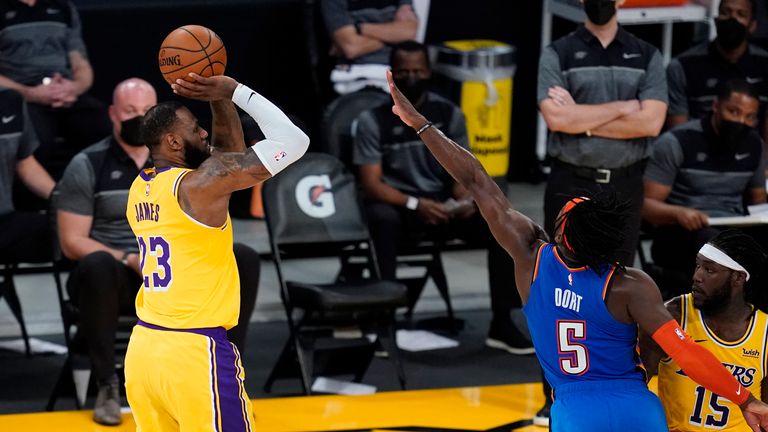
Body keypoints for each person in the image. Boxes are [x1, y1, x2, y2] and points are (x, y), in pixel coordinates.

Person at [384, 68, 768, 431]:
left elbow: (475, 178)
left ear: (562, 233)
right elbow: (686, 353)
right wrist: (745, 399)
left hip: (575, 407)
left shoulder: (531, 256)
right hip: (637, 405)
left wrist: (421, 124)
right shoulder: (630, 284)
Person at [55, 78, 261, 426]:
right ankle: (106, 384)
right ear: (112, 113)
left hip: (166, 289)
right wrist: (127, 258)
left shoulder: (180, 168)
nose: (137, 116)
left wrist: (221, 98)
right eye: (129, 111)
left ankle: (227, 357)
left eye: (144, 110)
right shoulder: (89, 164)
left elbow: (228, 156)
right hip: (122, 268)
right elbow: (71, 239)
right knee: (97, 265)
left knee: (241, 255)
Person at [124, 74, 309, 430]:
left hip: (145, 351)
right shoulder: (199, 187)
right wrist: (236, 92)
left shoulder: (140, 187)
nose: (204, 133)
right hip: (193, 355)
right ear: (174, 141)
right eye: (196, 129)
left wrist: (217, 99)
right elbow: (294, 141)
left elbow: (228, 156)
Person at [353, 40, 530, 354]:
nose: (412, 77)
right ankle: (383, 325)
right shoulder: (372, 120)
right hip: (401, 207)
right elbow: (371, 184)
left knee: (504, 222)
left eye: (417, 70)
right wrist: (416, 204)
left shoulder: (448, 113)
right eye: (404, 71)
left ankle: (502, 323)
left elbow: (465, 174)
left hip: (443, 206)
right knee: (380, 218)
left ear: (429, 71)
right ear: (391, 76)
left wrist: (463, 202)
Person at [537, 0, 668, 422]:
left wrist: (583, 117)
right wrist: (624, 106)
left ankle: (621, 383)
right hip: (572, 180)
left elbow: (651, 123)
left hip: (625, 182)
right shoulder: (557, 50)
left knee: (616, 286)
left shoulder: (647, 54)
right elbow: (556, 120)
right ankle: (554, 394)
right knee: (556, 284)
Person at [643, 79, 766, 291]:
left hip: (732, 226)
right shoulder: (677, 141)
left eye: (750, 117)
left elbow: (758, 202)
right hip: (681, 231)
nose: (741, 122)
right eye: (733, 112)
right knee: (719, 245)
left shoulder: (755, 145)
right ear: (716, 106)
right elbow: (646, 205)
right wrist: (678, 213)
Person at [640, 229, 768, 431]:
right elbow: (635, 385)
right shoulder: (673, 315)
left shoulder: (765, 332)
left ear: (738, 278)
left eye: (709, 270)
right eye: (697, 266)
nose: (696, 276)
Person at [0, 0, 111, 181]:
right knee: (35, 141)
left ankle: (102, 193)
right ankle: (41, 203)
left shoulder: (63, 7)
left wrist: (74, 88)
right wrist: (30, 93)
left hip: (65, 91)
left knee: (104, 125)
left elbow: (81, 63)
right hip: (21, 95)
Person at [666, 0, 768, 146]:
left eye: (741, 14)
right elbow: (677, 136)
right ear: (715, 20)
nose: (732, 19)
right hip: (697, 157)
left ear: (752, 25)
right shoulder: (683, 66)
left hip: (750, 158)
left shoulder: (764, 65)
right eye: (725, 13)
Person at [0, 87, 54, 263]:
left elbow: (25, 164)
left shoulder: (11, 100)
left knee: (72, 229)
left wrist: (63, 199)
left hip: (6, 219)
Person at [321, 0, 418, 94]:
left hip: (397, 74)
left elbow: (409, 32)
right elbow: (351, 48)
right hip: (353, 77)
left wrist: (359, 27)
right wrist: (395, 34)